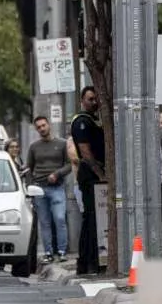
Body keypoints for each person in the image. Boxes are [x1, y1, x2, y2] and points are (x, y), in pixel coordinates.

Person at [70, 86, 107, 275]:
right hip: (90, 176)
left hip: (96, 175)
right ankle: (87, 261)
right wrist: (100, 174)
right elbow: (85, 152)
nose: (94, 102)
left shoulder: (96, 120)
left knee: (95, 220)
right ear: (82, 100)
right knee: (91, 220)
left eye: (96, 99)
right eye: (90, 99)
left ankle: (91, 261)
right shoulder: (82, 122)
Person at [26, 116, 72, 262]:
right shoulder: (34, 147)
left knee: (59, 218)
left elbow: (69, 165)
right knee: (44, 222)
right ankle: (48, 253)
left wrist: (57, 174)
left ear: (49, 125)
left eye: (43, 125)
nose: (42, 129)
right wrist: (30, 188)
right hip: (39, 188)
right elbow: (29, 168)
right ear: (36, 129)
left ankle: (62, 251)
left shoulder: (62, 143)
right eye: (38, 127)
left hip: (57, 187)